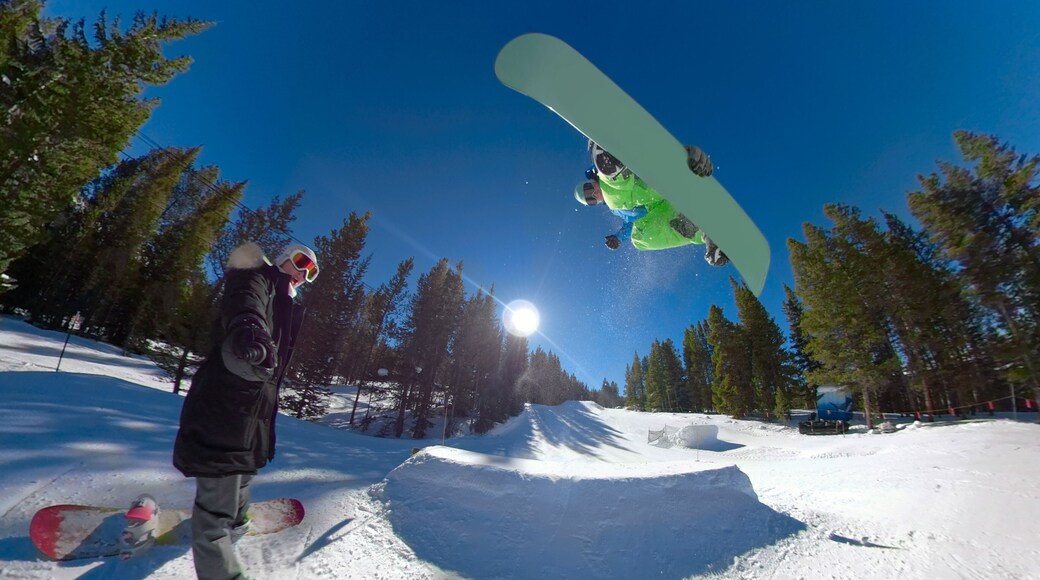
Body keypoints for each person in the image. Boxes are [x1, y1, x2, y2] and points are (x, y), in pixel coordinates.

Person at [173, 241, 318, 580]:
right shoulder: (258, 278)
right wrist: (248, 327)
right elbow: (245, 301)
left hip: (249, 414)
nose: (303, 273)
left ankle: (237, 521)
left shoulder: (284, 306)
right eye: (300, 262)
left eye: (310, 272)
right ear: (283, 257)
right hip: (223, 406)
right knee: (218, 500)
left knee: (244, 471)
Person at [575, 140, 729, 266]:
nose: (594, 194)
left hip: (650, 186)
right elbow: (630, 223)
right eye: (591, 199)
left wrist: (675, 159)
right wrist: (619, 238)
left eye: (589, 189)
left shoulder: (614, 199)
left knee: (614, 200)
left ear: (591, 181)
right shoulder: (617, 208)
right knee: (639, 241)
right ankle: (703, 232)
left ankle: (613, 172)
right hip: (665, 207)